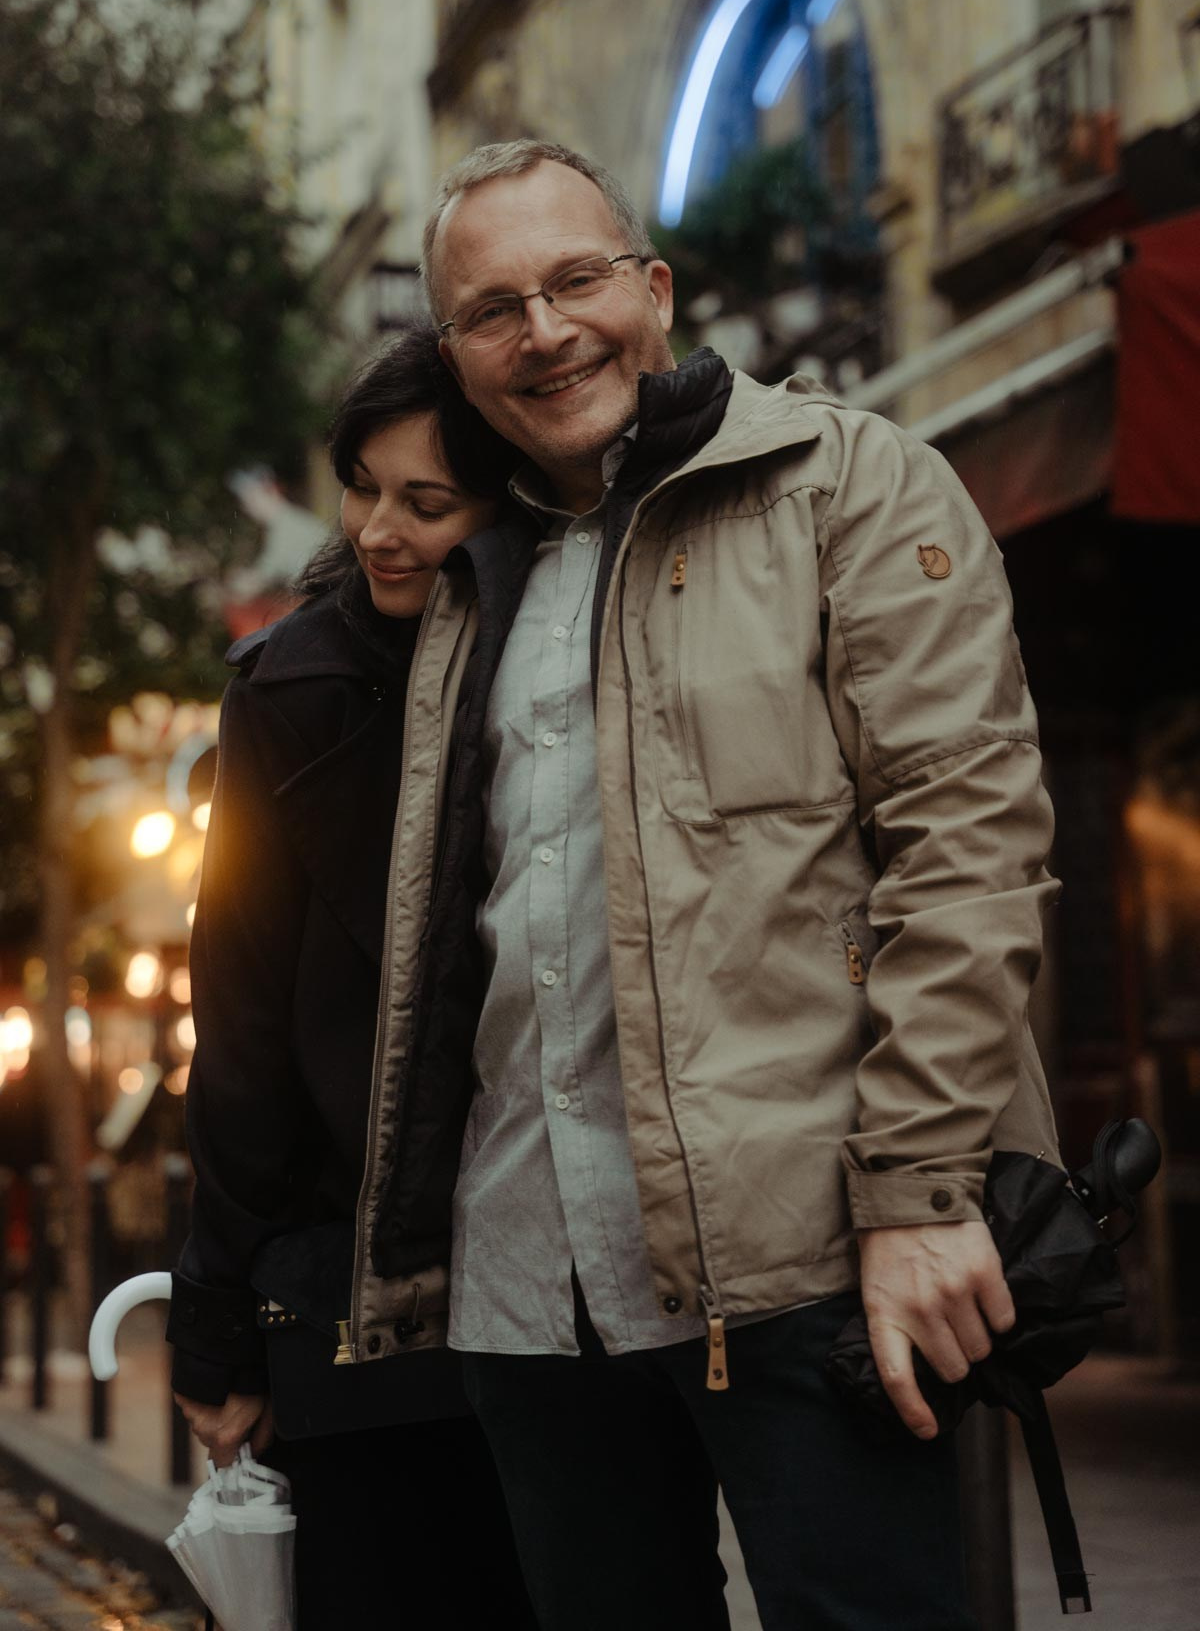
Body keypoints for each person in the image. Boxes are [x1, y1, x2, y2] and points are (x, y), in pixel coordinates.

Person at [337, 139, 1062, 1631]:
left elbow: (970, 838)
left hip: (807, 1256)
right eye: (492, 310)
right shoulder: (477, 576)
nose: (544, 332)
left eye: (577, 281)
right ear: (455, 355)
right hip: (531, 1279)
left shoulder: (844, 482)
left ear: (655, 292)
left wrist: (924, 1193)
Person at [165, 324, 533, 1628]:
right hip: (349, 1292)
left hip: (557, 1281)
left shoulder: (569, 666)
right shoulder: (287, 692)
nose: (380, 528)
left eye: (426, 503)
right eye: (362, 486)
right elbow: (245, 1020)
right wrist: (214, 1321)